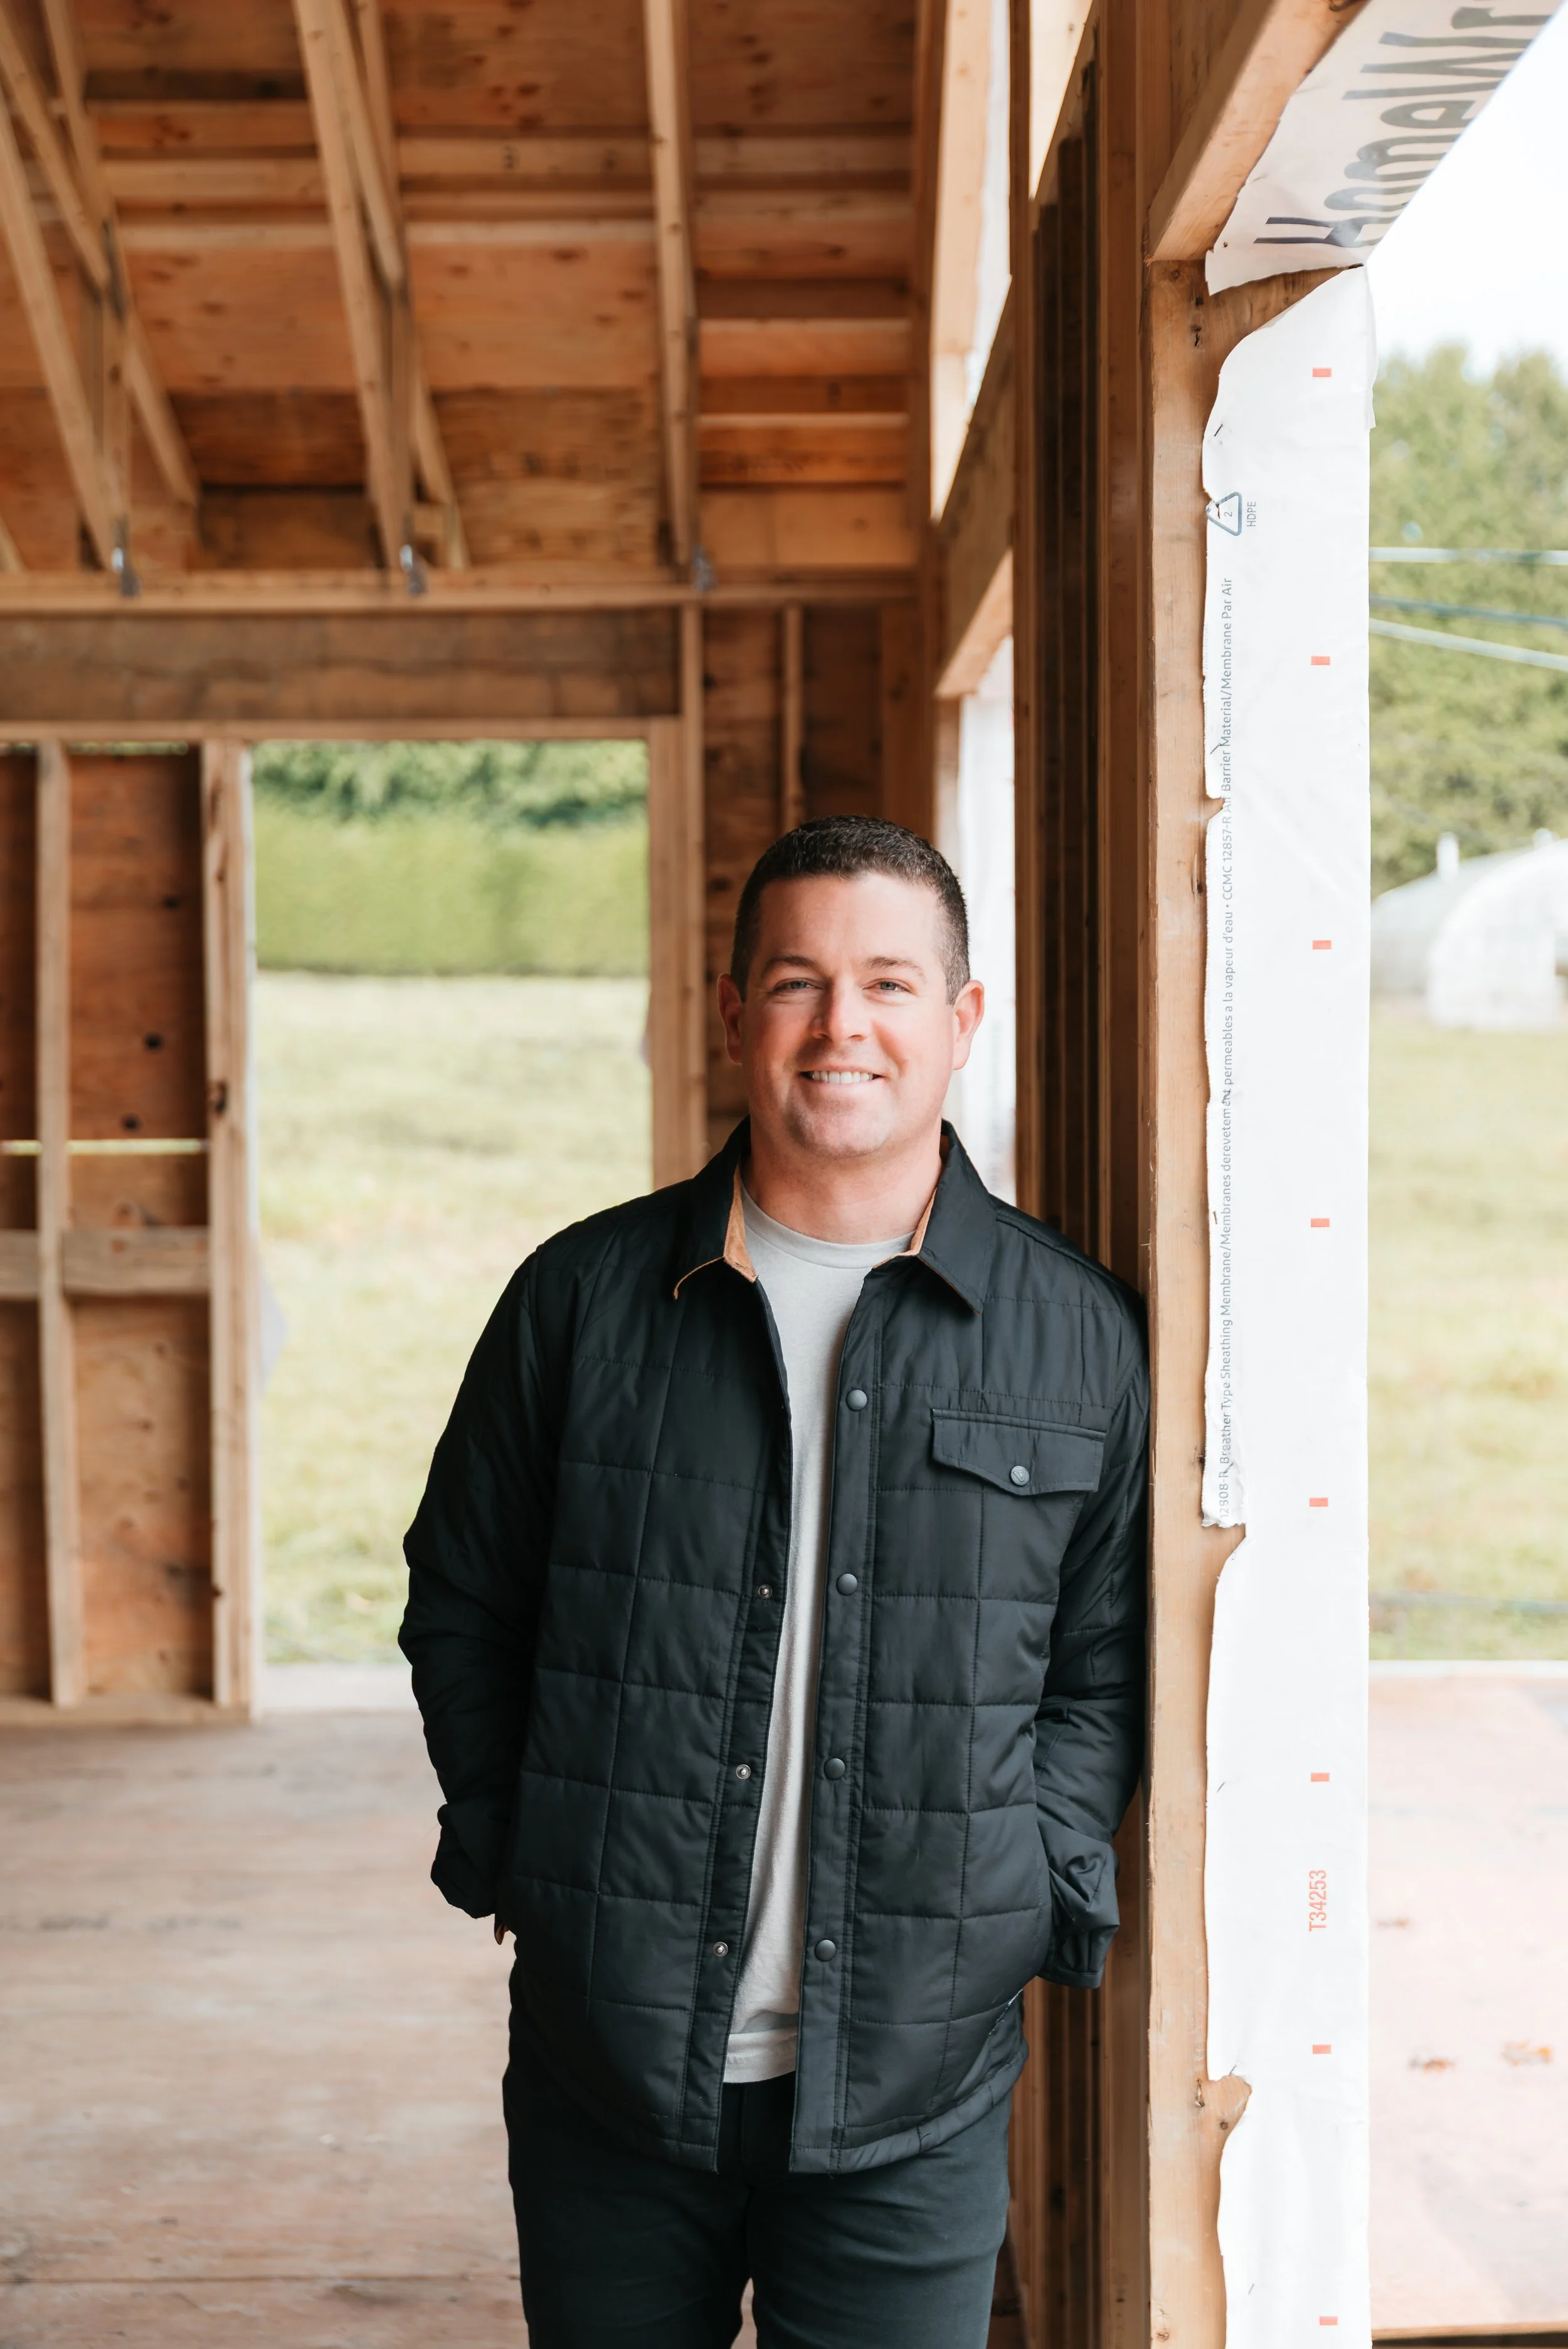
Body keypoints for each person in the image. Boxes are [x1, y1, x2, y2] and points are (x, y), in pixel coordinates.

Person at [401, 815, 1147, 2349]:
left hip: (912, 2095)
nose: (841, 1025)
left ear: (960, 1020)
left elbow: (1100, 1662)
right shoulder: (581, 1304)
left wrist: (1029, 1885)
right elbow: (462, 1600)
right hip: (609, 2075)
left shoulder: (1077, 1342)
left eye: (886, 982)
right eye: (797, 982)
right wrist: (521, 1842)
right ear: (735, 1011)